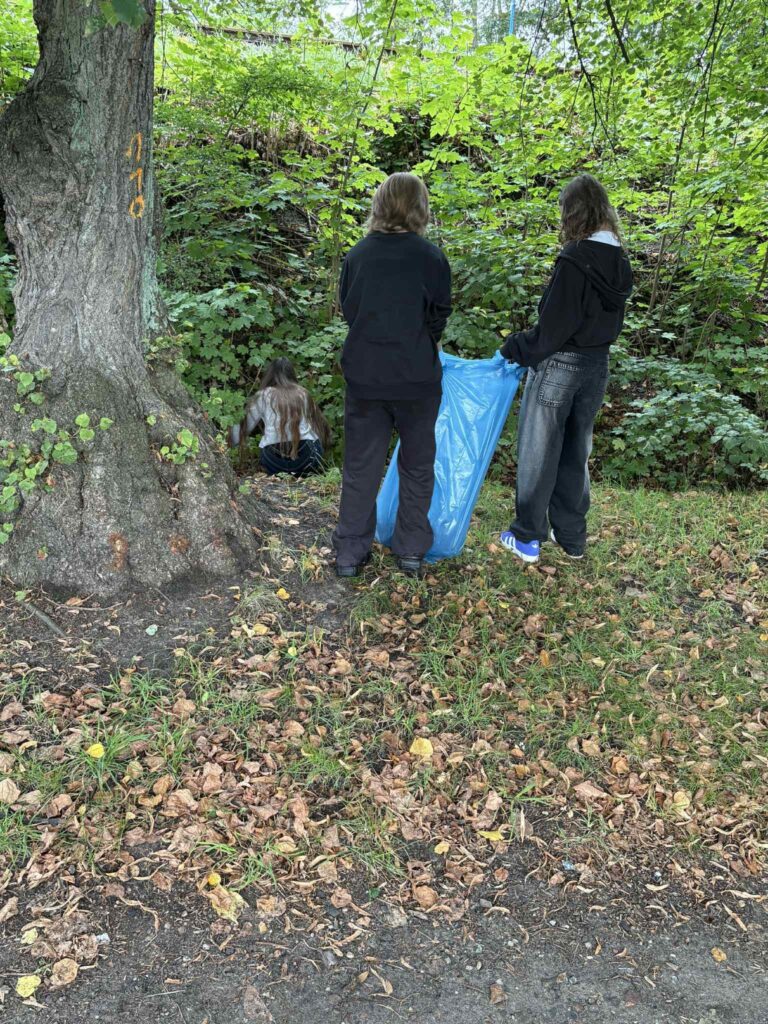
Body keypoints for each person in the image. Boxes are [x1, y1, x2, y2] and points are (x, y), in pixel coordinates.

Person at [499, 173, 633, 563]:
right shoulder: (620, 261)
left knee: (539, 450)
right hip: (596, 365)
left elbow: (553, 329)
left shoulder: (575, 259)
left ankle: (526, 537)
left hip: (560, 364)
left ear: (573, 211)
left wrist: (515, 347)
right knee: (576, 450)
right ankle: (572, 536)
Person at [332, 172, 452, 578]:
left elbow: (350, 311)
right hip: (417, 378)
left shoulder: (358, 255)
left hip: (366, 376)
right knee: (417, 466)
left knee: (361, 466)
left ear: (379, 205)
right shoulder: (432, 258)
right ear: (420, 208)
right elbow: (439, 315)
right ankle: (411, 550)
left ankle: (350, 553)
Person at [229, 357, 330, 477]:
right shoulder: (302, 393)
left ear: (270, 375)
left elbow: (243, 428)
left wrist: (225, 445)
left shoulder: (263, 395)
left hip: (273, 463)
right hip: (306, 461)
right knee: (313, 437)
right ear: (291, 373)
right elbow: (319, 428)